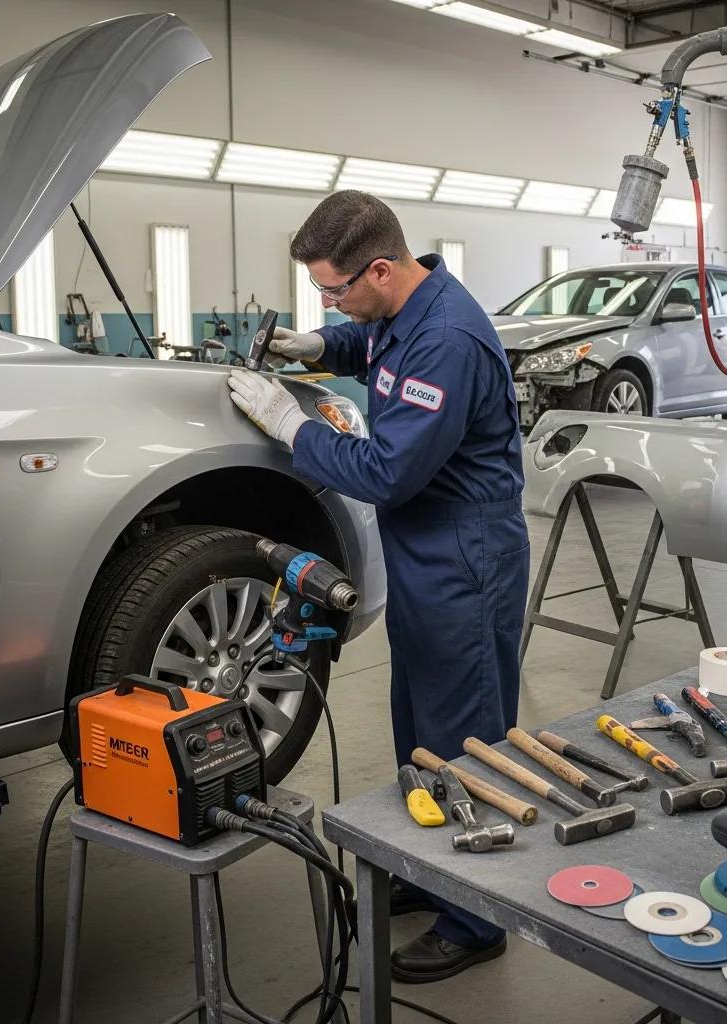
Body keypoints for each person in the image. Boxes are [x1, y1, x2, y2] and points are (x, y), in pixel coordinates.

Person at [226, 190, 529, 984]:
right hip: (427, 554)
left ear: (383, 269)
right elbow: (369, 341)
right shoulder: (406, 309)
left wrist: (294, 428)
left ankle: (476, 916)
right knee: (420, 722)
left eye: (334, 290)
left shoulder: (450, 343)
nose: (331, 302)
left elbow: (388, 472)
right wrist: (315, 342)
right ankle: (435, 869)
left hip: (466, 556)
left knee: (469, 733)